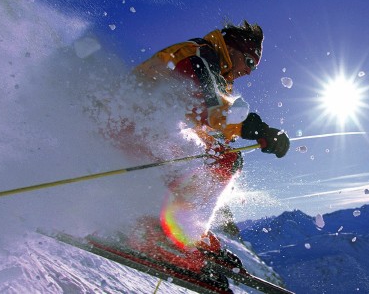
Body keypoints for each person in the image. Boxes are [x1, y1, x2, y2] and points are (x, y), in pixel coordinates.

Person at [118, 20, 289, 275]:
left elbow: (203, 121)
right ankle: (157, 233)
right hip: (131, 123)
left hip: (146, 128)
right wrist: (257, 129)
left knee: (224, 159)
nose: (250, 71)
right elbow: (206, 106)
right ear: (232, 49)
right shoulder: (198, 56)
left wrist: (229, 141)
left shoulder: (214, 68)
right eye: (250, 62)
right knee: (220, 161)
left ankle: (185, 229)